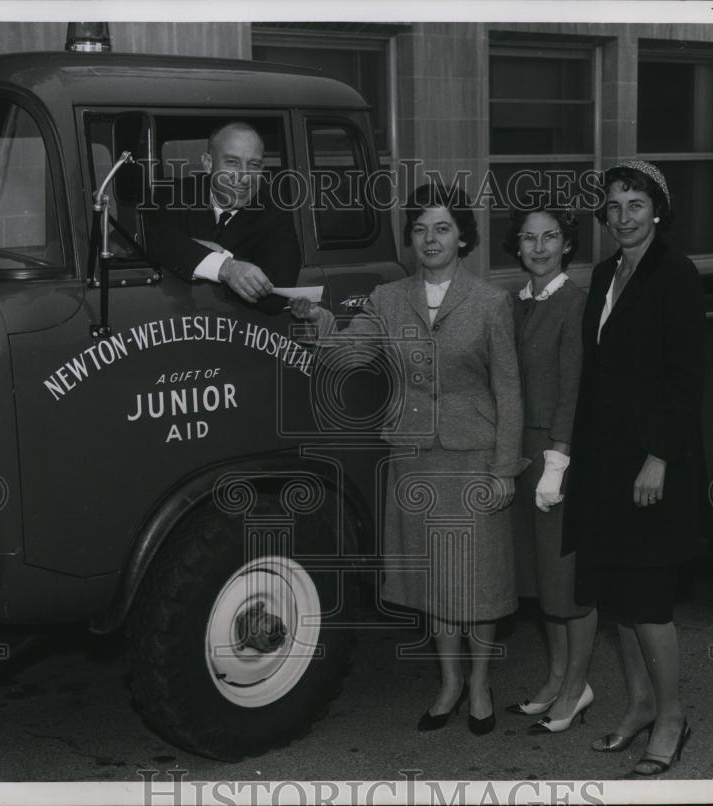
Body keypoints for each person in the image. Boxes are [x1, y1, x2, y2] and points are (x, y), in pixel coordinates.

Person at [290, 183, 525, 736]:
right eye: (419, 229)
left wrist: (504, 469)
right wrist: (319, 324)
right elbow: (351, 354)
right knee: (435, 581)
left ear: (462, 236)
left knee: (479, 579)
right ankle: (447, 683)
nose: (430, 238)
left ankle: (481, 685)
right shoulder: (388, 298)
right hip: (415, 458)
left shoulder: (491, 302)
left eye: (442, 228)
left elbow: (510, 392)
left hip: (474, 457)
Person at [564, 160, 705, 776]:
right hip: (604, 462)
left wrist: (658, 458)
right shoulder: (603, 274)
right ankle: (642, 704)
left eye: (636, 205)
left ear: (658, 212)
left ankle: (672, 715)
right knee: (619, 595)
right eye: (614, 207)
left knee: (649, 601)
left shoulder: (676, 276)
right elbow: (595, 377)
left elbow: (685, 380)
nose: (623, 217)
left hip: (653, 465)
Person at [500, 208, 597, 736]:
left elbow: (573, 391)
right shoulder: (516, 305)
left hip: (556, 457)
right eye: (528, 238)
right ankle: (558, 678)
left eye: (550, 237)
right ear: (517, 247)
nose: (538, 247)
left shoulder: (574, 305)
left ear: (566, 245)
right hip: (521, 456)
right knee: (541, 581)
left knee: (568, 584)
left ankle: (578, 685)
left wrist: (557, 462)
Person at [143, 120, 301, 314]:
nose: (244, 178)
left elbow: (278, 293)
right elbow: (146, 239)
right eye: (232, 163)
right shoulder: (173, 194)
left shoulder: (275, 216)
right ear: (208, 163)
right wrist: (225, 268)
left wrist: (225, 261)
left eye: (254, 165)